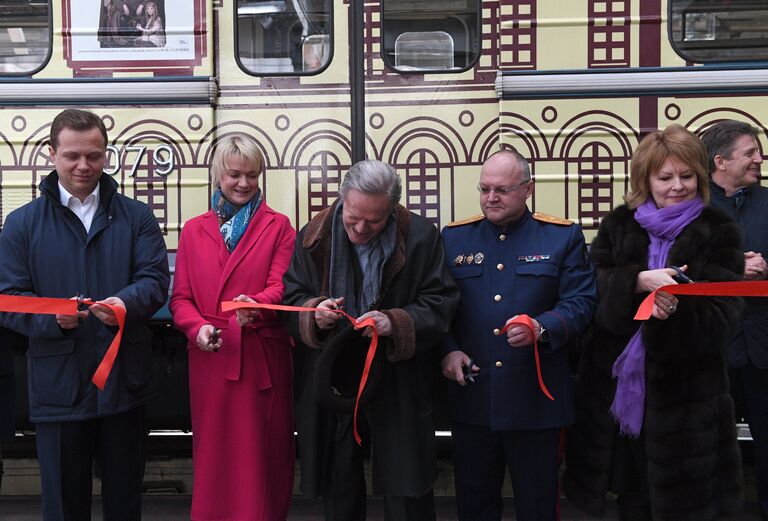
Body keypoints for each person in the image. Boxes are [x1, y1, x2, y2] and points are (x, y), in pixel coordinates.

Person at [563, 124, 744, 521]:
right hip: (617, 397)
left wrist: (675, 310)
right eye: (665, 178)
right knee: (631, 500)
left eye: (686, 176)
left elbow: (723, 317)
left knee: (686, 505)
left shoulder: (720, 231)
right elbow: (589, 291)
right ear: (645, 180)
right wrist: (636, 282)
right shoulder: (618, 225)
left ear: (700, 176)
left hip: (687, 401)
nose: (676, 186)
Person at [0, 108, 170, 521]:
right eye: (73, 155)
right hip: (58, 387)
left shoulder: (137, 216)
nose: (83, 165)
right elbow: (8, 298)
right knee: (62, 507)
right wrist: (52, 318)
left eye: (94, 156)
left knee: (125, 503)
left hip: (123, 383)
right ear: (51, 154)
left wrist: (124, 305)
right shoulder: (21, 224)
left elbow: (154, 281)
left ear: (106, 155)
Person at [283, 159, 460, 521]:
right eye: (353, 217)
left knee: (406, 483)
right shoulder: (314, 236)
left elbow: (441, 303)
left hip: (398, 375)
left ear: (392, 209)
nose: (361, 228)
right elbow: (290, 301)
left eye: (375, 221)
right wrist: (315, 312)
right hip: (336, 375)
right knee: (340, 481)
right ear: (342, 198)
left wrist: (395, 322)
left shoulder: (421, 236)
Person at [439, 149, 597, 521]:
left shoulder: (561, 236)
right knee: (474, 503)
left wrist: (542, 327)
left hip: (535, 401)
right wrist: (447, 350)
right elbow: (438, 307)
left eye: (502, 190)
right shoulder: (455, 238)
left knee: (538, 504)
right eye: (485, 188)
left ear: (528, 189)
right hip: (474, 397)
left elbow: (583, 302)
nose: (491, 198)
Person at [170, 134, 296, 521]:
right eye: (234, 175)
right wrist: (197, 330)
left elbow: (282, 286)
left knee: (261, 460)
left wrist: (254, 306)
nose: (243, 184)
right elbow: (181, 299)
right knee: (214, 459)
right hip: (211, 357)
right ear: (217, 176)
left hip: (260, 357)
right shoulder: (194, 229)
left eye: (252, 176)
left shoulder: (279, 226)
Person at [702, 119, 768, 521]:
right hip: (713, 351)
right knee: (710, 452)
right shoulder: (691, 209)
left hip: (763, 349)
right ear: (720, 160)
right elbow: (674, 266)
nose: (759, 159)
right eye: (750, 152)